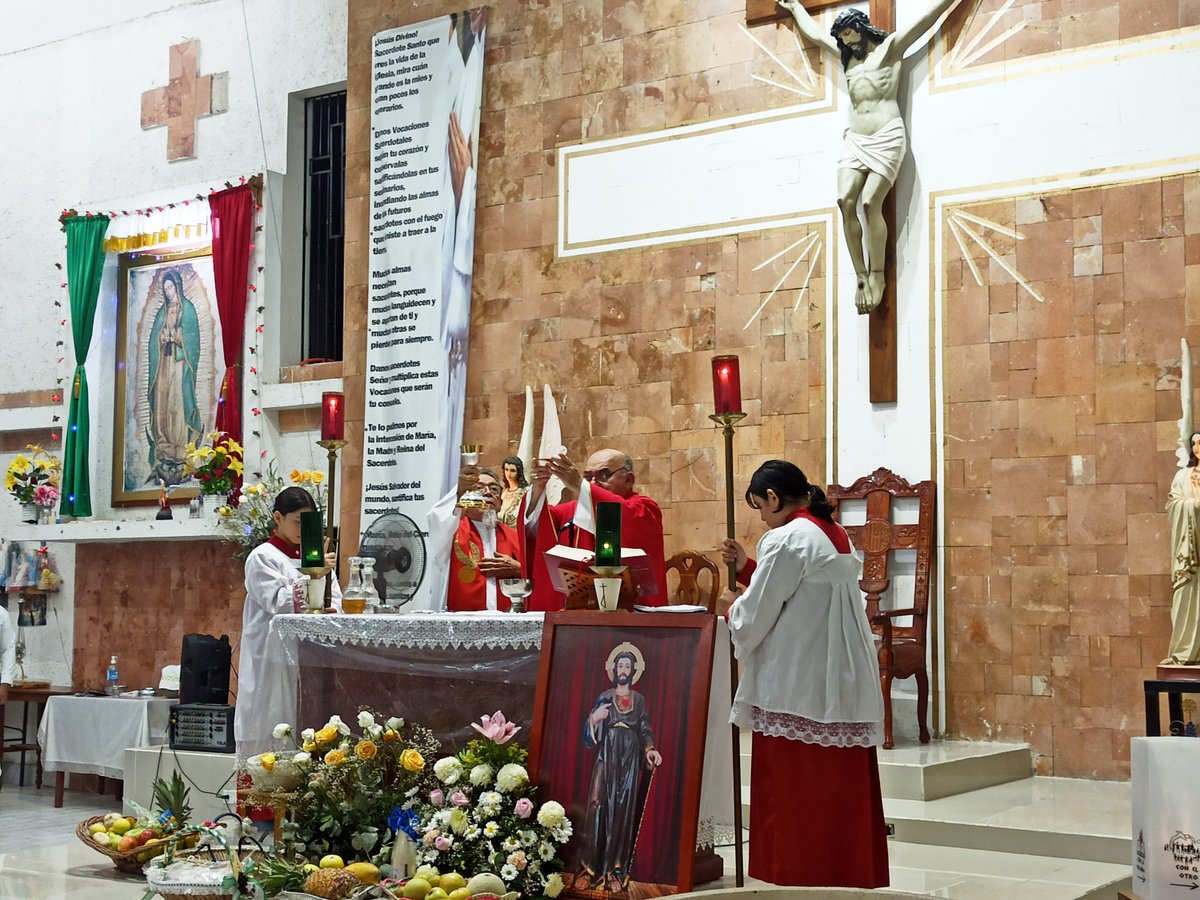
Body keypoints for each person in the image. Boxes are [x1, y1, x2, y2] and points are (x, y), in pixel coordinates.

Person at [718, 460, 887, 887]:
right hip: (838, 676)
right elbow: (803, 589)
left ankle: (796, 878)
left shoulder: (787, 537)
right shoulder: (832, 530)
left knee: (794, 795)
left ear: (774, 497)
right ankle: (843, 875)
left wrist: (730, 610)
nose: (761, 517)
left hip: (798, 678)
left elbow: (760, 610)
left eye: (760, 506)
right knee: (835, 795)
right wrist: (747, 567)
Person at [779, 0, 962, 314]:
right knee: (844, 201)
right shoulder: (847, 58)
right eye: (843, 39)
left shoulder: (890, 49)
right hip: (856, 139)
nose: (847, 43)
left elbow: (927, 18)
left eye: (849, 35)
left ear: (860, 28)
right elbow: (817, 36)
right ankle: (861, 276)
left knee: (869, 202)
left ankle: (877, 274)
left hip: (887, 135)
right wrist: (795, 7)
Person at [235, 486, 341, 758]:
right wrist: (315, 575)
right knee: (273, 720)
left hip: (311, 655)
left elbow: (335, 598)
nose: (303, 530)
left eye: (308, 522)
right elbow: (278, 602)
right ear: (278, 518)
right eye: (296, 521)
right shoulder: (263, 556)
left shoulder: (314, 555)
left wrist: (331, 607)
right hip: (271, 656)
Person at [525, 448, 668, 610]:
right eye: (587, 477)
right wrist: (537, 490)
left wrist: (579, 484)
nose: (592, 483)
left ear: (629, 479)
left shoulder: (645, 509)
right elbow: (540, 527)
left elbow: (619, 512)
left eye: (604, 475)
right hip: (576, 613)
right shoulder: (572, 510)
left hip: (632, 613)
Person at [574, 643, 661, 894]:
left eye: (627, 666)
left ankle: (616, 871)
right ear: (614, 669)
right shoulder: (604, 696)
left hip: (629, 758)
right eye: (620, 665)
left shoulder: (639, 701)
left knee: (623, 810)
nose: (623, 670)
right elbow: (589, 736)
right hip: (607, 754)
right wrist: (594, 719)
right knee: (596, 804)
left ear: (633, 671)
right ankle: (589, 869)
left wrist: (650, 749)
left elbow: (645, 729)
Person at [428, 466, 523, 611]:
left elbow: (537, 577)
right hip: (462, 621)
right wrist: (459, 492)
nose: (488, 492)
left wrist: (518, 569)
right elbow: (437, 517)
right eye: (479, 488)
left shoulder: (514, 536)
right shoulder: (451, 531)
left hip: (508, 619)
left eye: (494, 489)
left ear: (500, 503)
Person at [147, 268, 202, 481]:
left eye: (171, 287)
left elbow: (193, 339)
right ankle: (163, 445)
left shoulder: (187, 310)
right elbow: (153, 341)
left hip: (179, 364)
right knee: (162, 402)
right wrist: (162, 337)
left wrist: (178, 335)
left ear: (177, 286)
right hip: (163, 363)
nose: (168, 291)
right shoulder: (162, 313)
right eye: (165, 288)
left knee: (177, 403)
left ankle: (180, 446)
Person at [1165, 431, 1200, 665]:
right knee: (1185, 595)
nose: (1197, 447)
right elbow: (1173, 503)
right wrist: (1193, 505)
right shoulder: (1182, 476)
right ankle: (1183, 652)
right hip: (1189, 548)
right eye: (1194, 443)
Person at [499, 455, 529, 528]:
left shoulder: (526, 492)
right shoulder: (503, 493)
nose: (509, 474)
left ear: (519, 472)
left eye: (512, 471)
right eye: (506, 470)